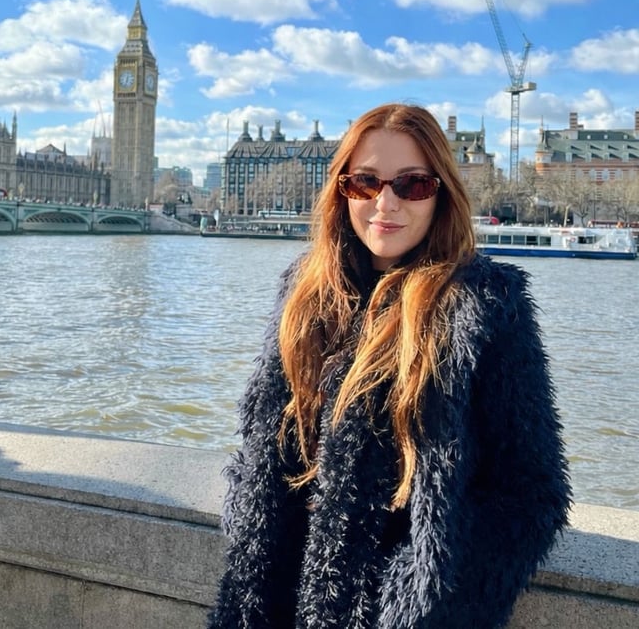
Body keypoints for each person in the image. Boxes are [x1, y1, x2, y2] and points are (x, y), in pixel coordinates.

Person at [208, 103, 571, 629]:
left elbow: (532, 494)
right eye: (365, 182)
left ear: (441, 192)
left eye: (412, 184)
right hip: (272, 604)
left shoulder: (484, 308)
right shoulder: (304, 292)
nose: (385, 202)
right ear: (342, 191)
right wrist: (251, 540)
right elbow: (261, 444)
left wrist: (414, 601)